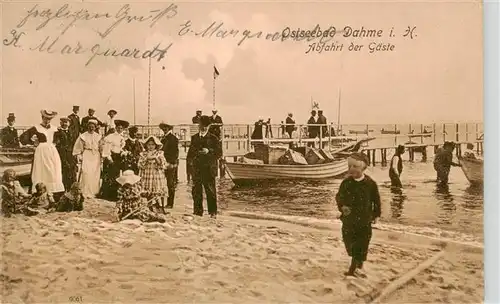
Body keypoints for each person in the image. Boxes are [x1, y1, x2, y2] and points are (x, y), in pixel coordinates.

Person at [336, 152, 381, 277]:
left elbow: (376, 200)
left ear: (363, 167)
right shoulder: (346, 183)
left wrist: (376, 215)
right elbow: (339, 197)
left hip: (364, 219)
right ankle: (357, 261)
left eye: (355, 167)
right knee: (348, 241)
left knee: (362, 242)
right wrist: (342, 206)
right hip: (348, 219)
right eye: (349, 166)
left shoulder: (370, 183)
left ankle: (354, 267)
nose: (351, 169)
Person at [19, 110, 65, 196]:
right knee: (41, 170)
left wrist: (56, 143)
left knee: (54, 170)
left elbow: (63, 139)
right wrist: (33, 143)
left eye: (49, 119)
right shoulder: (36, 128)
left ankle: (54, 191)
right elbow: (22, 138)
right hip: (41, 151)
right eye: (46, 119)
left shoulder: (54, 128)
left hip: (52, 151)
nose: (47, 121)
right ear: (42, 118)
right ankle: (40, 190)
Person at [186, 115, 222, 218]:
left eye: (206, 125)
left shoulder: (214, 138)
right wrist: (190, 168)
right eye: (202, 125)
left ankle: (212, 212)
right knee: (196, 192)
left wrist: (209, 151)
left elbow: (219, 153)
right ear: (199, 125)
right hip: (197, 169)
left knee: (210, 191)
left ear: (209, 126)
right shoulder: (194, 138)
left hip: (209, 169)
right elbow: (190, 155)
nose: (204, 127)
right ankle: (198, 212)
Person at [99, 120, 128, 201]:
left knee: (116, 175)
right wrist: (109, 158)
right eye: (118, 128)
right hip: (110, 157)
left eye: (121, 128)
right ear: (115, 128)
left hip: (117, 158)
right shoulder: (110, 137)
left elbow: (120, 148)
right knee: (109, 176)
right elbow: (106, 148)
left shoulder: (122, 138)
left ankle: (113, 194)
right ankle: (106, 194)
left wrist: (123, 152)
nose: (119, 130)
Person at [72, 119, 102, 198]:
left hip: (96, 156)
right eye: (90, 126)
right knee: (86, 172)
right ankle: (85, 191)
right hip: (87, 154)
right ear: (87, 127)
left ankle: (94, 191)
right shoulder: (83, 136)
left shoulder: (98, 136)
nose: (91, 128)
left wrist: (102, 156)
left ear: (95, 127)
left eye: (93, 127)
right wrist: (79, 155)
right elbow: (78, 147)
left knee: (95, 173)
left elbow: (101, 147)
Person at [138, 136, 168, 213]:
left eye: (152, 145)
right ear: (146, 145)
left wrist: (155, 158)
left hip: (156, 174)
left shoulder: (159, 153)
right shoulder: (143, 154)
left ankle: (161, 207)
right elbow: (140, 165)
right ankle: (150, 206)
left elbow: (162, 164)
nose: (151, 146)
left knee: (158, 190)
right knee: (148, 190)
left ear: (156, 145)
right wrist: (147, 158)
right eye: (149, 145)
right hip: (147, 174)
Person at [54, 117, 78, 192]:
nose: (65, 124)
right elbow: (57, 143)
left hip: (71, 153)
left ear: (69, 123)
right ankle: (64, 188)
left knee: (72, 169)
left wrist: (75, 153)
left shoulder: (72, 131)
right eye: (63, 122)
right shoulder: (57, 132)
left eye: (66, 122)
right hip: (62, 153)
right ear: (61, 123)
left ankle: (72, 188)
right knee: (64, 169)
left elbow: (75, 142)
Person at [160, 123, 179, 209]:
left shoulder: (173, 138)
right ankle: (162, 203)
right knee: (161, 183)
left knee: (170, 184)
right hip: (163, 163)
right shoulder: (162, 139)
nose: (165, 129)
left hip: (170, 164)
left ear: (169, 128)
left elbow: (176, 152)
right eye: (163, 128)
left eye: (166, 127)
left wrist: (171, 163)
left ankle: (170, 203)